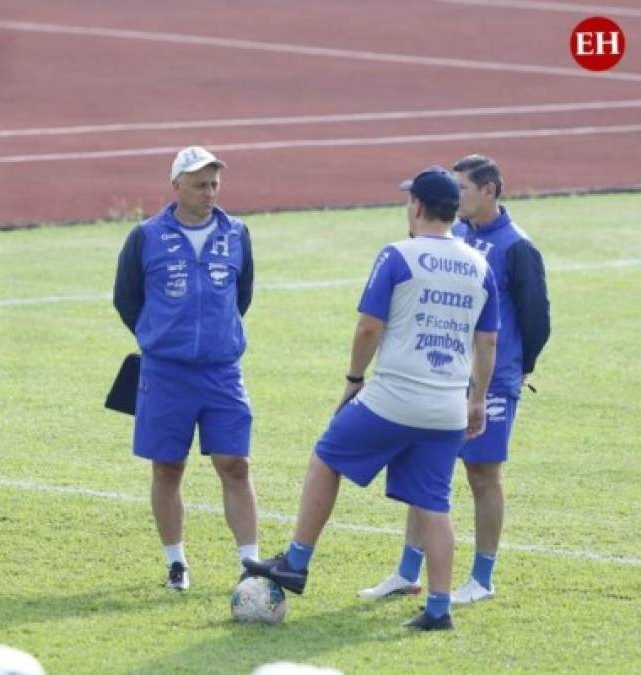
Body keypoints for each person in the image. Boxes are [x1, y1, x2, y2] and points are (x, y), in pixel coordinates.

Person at [243, 166, 499, 630]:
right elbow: (487, 343)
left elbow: (368, 326)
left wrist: (354, 378)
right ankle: (439, 610)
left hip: (394, 396)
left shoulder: (397, 256)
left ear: (418, 206)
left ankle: (296, 562)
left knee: (326, 456)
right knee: (435, 505)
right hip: (446, 407)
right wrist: (476, 400)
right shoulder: (480, 265)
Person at [358, 155, 550, 605]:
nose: (456, 195)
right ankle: (408, 572)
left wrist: (521, 368)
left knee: (483, 475)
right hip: (443, 379)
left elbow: (536, 317)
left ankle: (482, 578)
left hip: (493, 383)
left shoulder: (518, 247)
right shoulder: (457, 236)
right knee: (424, 471)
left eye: (462, 188)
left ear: (490, 191)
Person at [113, 146, 258, 591]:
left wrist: (216, 337)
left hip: (222, 372)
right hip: (166, 373)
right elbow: (127, 299)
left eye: (214, 184)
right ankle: (176, 563)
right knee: (167, 468)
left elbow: (243, 294)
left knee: (235, 464)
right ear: (176, 186)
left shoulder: (237, 233)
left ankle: (250, 564)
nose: (208, 192)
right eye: (199, 184)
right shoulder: (146, 236)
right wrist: (158, 338)